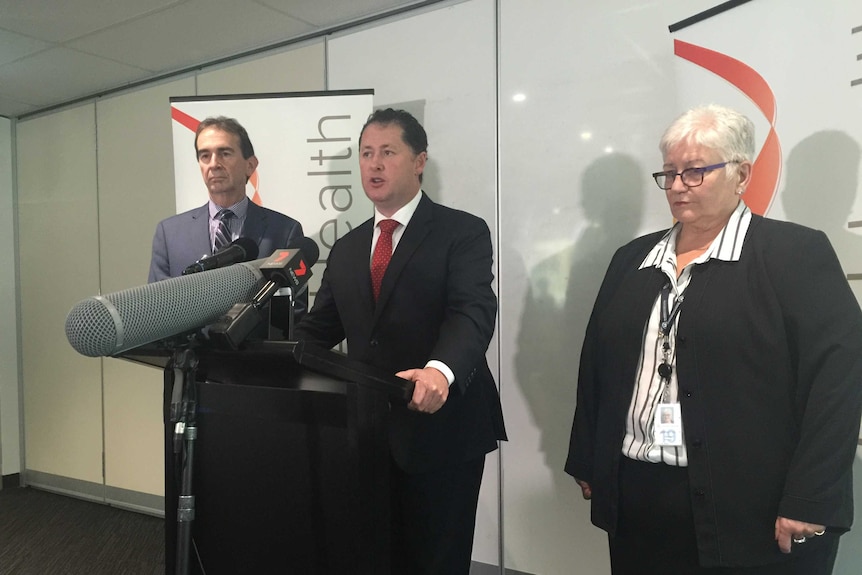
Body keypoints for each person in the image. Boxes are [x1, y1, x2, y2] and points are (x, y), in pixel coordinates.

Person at [565, 104, 862, 574]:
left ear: (742, 174)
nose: (679, 185)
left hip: (752, 508)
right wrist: (589, 457)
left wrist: (812, 495)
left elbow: (839, 382)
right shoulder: (631, 260)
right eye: (670, 173)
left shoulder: (793, 254)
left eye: (696, 172)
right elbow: (596, 364)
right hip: (640, 495)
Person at [294, 108, 506, 574]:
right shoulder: (348, 248)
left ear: (419, 161)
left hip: (441, 428)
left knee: (436, 561)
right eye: (366, 154)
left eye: (387, 152)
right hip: (365, 433)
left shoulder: (462, 231)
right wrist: (262, 353)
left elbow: (471, 312)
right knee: (374, 556)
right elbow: (319, 329)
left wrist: (440, 370)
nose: (374, 164)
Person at [148, 116, 305, 282]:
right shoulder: (170, 233)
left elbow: (293, 305)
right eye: (205, 156)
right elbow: (157, 303)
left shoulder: (284, 232)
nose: (214, 164)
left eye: (225, 154)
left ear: (250, 165)